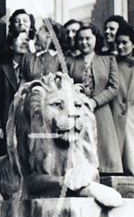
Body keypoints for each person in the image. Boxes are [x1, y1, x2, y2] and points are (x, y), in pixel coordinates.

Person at [67, 23, 122, 174]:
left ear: (96, 39)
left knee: (104, 157)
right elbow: (65, 86)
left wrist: (94, 101)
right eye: (80, 39)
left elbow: (113, 87)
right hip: (77, 114)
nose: (84, 42)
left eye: (87, 38)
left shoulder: (108, 60)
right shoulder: (70, 62)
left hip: (101, 114)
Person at [0, 25, 28, 152]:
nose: (25, 42)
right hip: (8, 124)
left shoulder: (33, 70)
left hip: (27, 125)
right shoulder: (2, 69)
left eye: (27, 39)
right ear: (11, 45)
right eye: (20, 39)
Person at [111, 23, 134, 174]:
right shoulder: (111, 64)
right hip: (116, 117)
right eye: (118, 42)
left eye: (124, 42)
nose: (120, 46)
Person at [20, 18, 67, 83]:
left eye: (40, 29)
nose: (36, 33)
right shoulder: (27, 57)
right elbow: (23, 83)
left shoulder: (60, 59)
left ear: (49, 34)